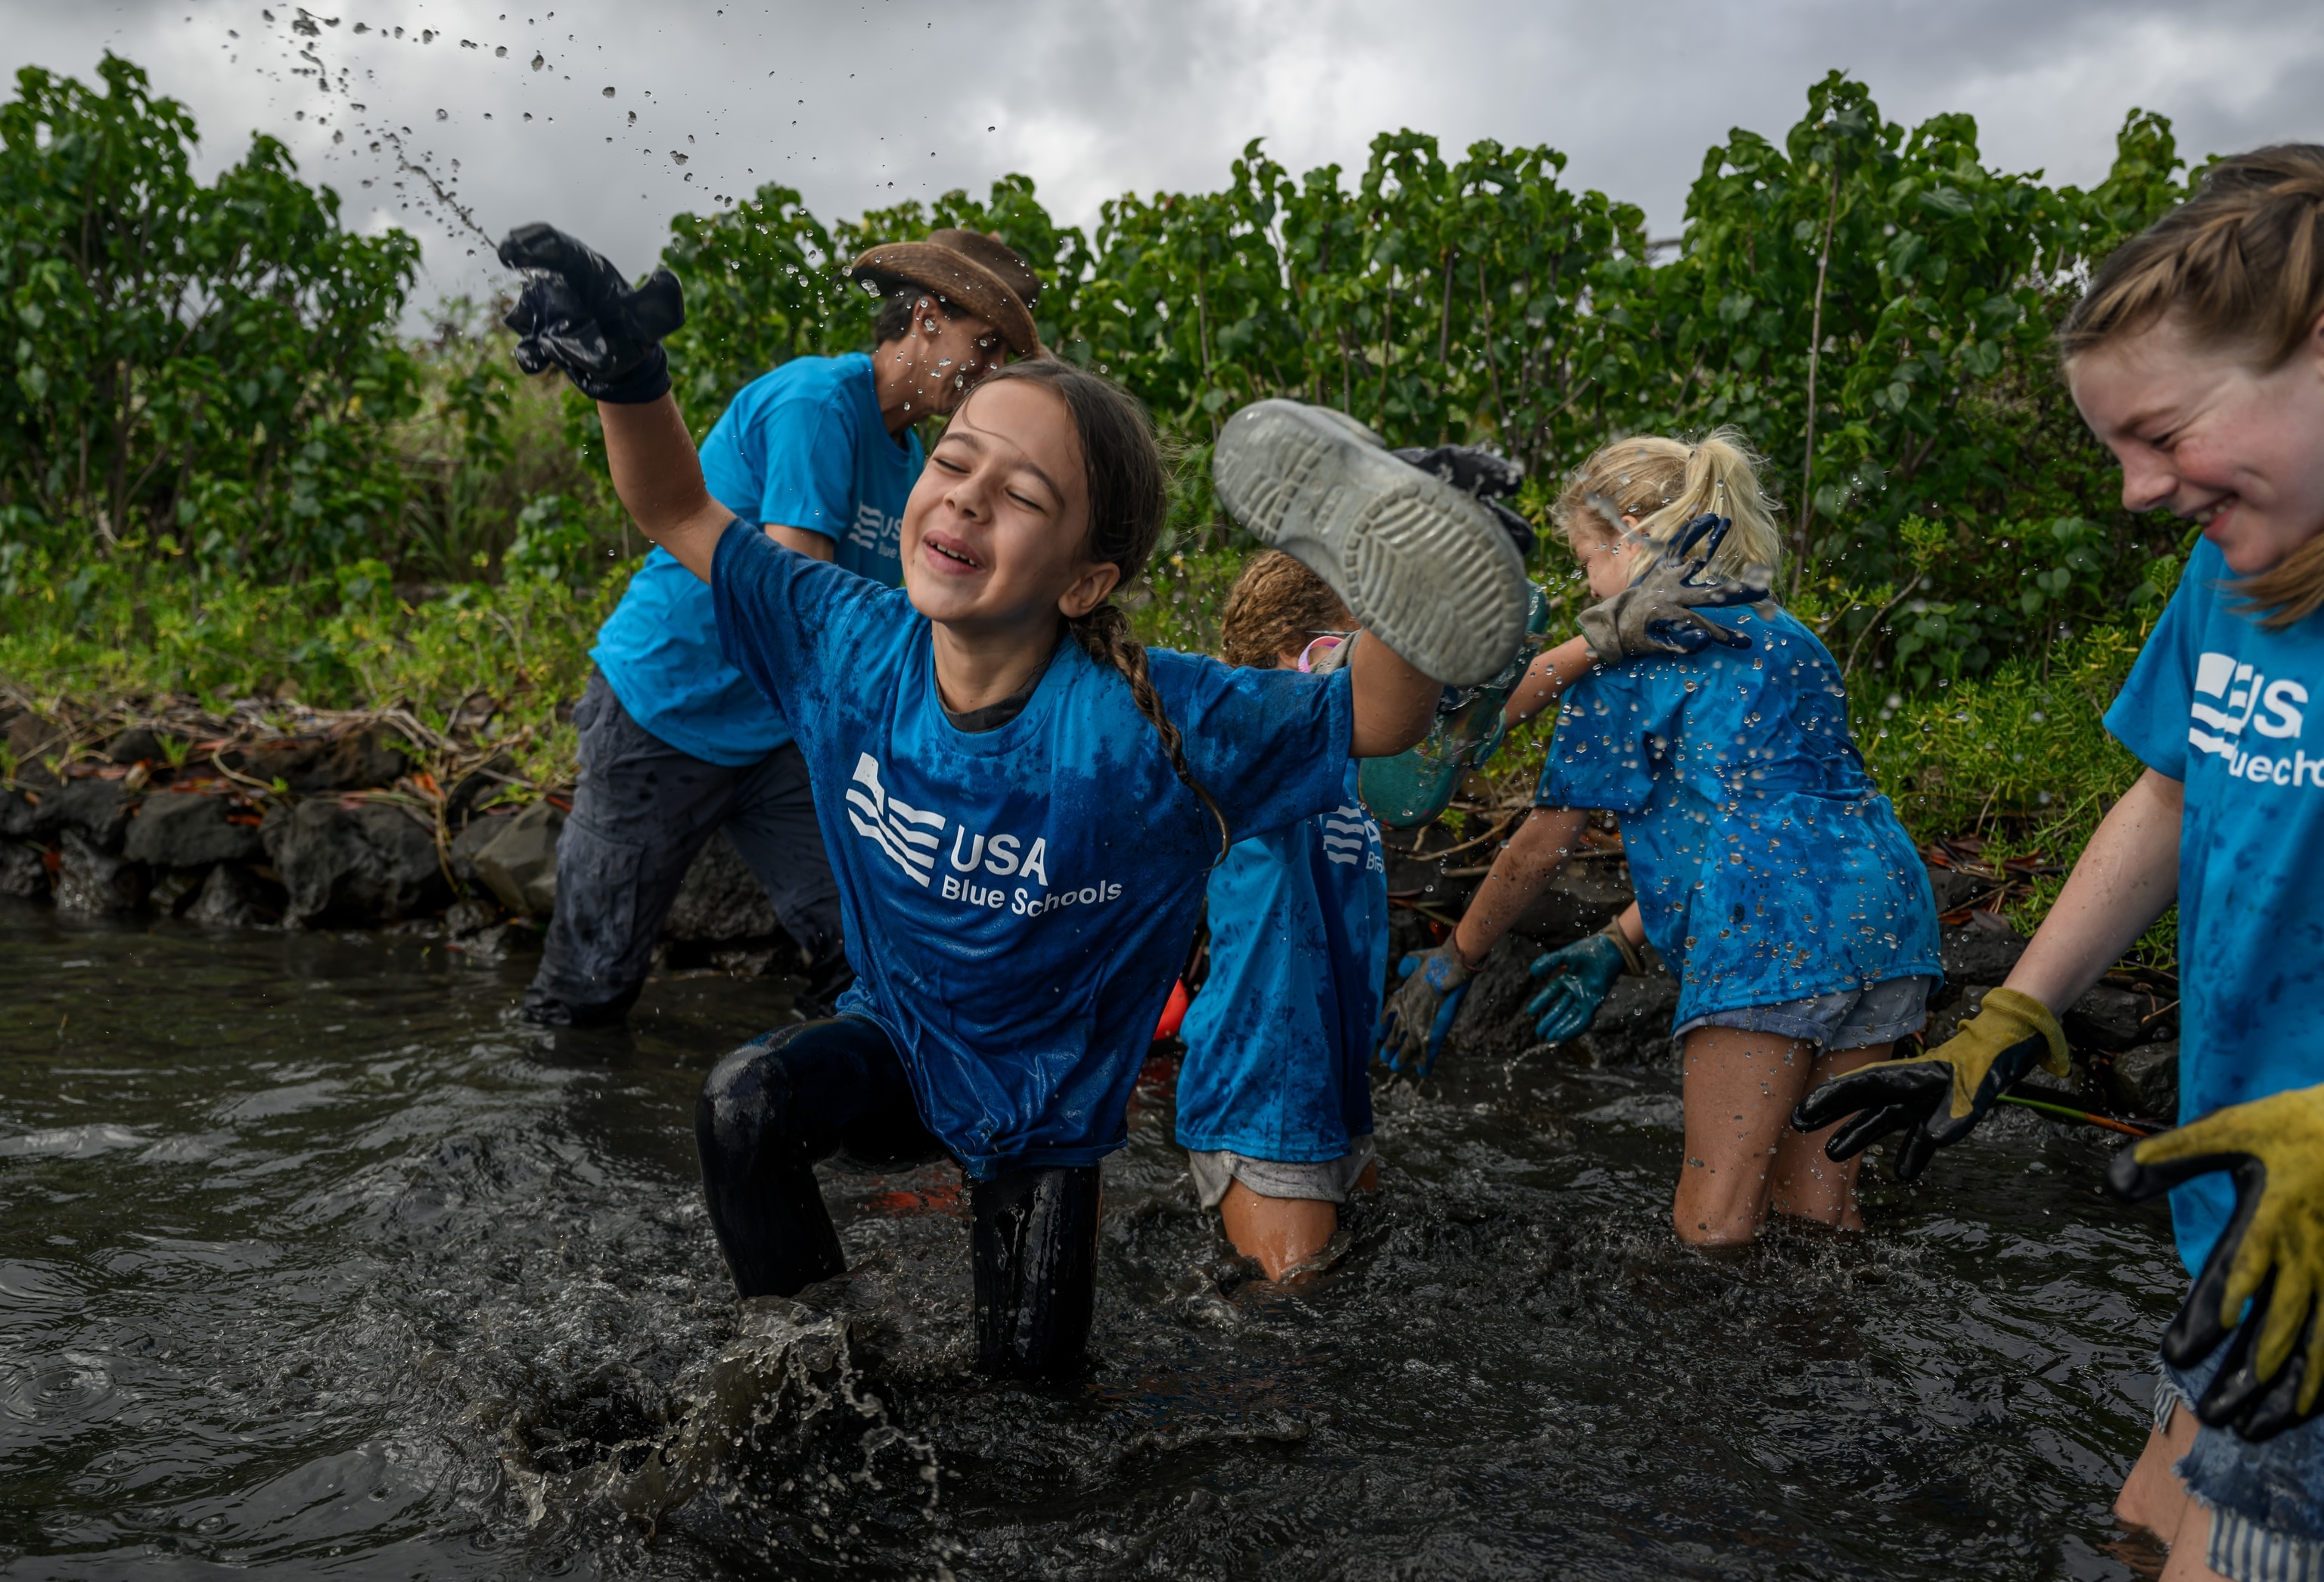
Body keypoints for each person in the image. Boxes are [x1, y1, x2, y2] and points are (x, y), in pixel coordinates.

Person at [496, 219, 1620, 1375]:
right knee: (745, 1102)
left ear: (1088, 579)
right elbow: (681, 511)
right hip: (905, 1043)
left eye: (1022, 492)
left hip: (1046, 1111)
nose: (968, 497)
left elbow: (1375, 719)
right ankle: (819, 1375)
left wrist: (1409, 585)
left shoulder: (1148, 722)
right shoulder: (846, 639)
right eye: (954, 462)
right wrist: (632, 378)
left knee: (1030, 1416)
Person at [1795, 146, 2324, 1581]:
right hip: (2240, 1221)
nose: (2140, 490)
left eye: (2160, 433)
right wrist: (2011, 1020)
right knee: (2145, 1529)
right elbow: (2167, 791)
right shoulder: (2242, 568)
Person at [1379, 429, 1942, 1246]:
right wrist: (1619, 939)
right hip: (1886, 916)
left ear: (1632, 537)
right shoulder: (1789, 634)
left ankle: (1730, 1374)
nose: (1586, 583)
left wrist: (1452, 961)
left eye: (1586, 560)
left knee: (1712, 1227)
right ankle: (1830, 1363)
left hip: (1769, 938)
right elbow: (1780, 821)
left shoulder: (1621, 667)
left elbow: (1543, 841)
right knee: (1819, 1212)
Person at [520, 227, 1042, 1027]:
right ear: (929, 318)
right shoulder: (817, 403)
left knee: (859, 941)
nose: (992, 370)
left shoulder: (908, 459)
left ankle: (825, 1104)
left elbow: (893, 626)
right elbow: (805, 601)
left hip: (773, 739)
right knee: (589, 982)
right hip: (665, 711)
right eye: (988, 343)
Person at [1174, 552, 1387, 1281]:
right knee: (1291, 1334)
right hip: (1263, 1091)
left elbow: (1452, 708)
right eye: (1351, 644)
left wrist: (1597, 643)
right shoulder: (1249, 748)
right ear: (1296, 659)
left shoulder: (1345, 758)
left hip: (1329, 1082)